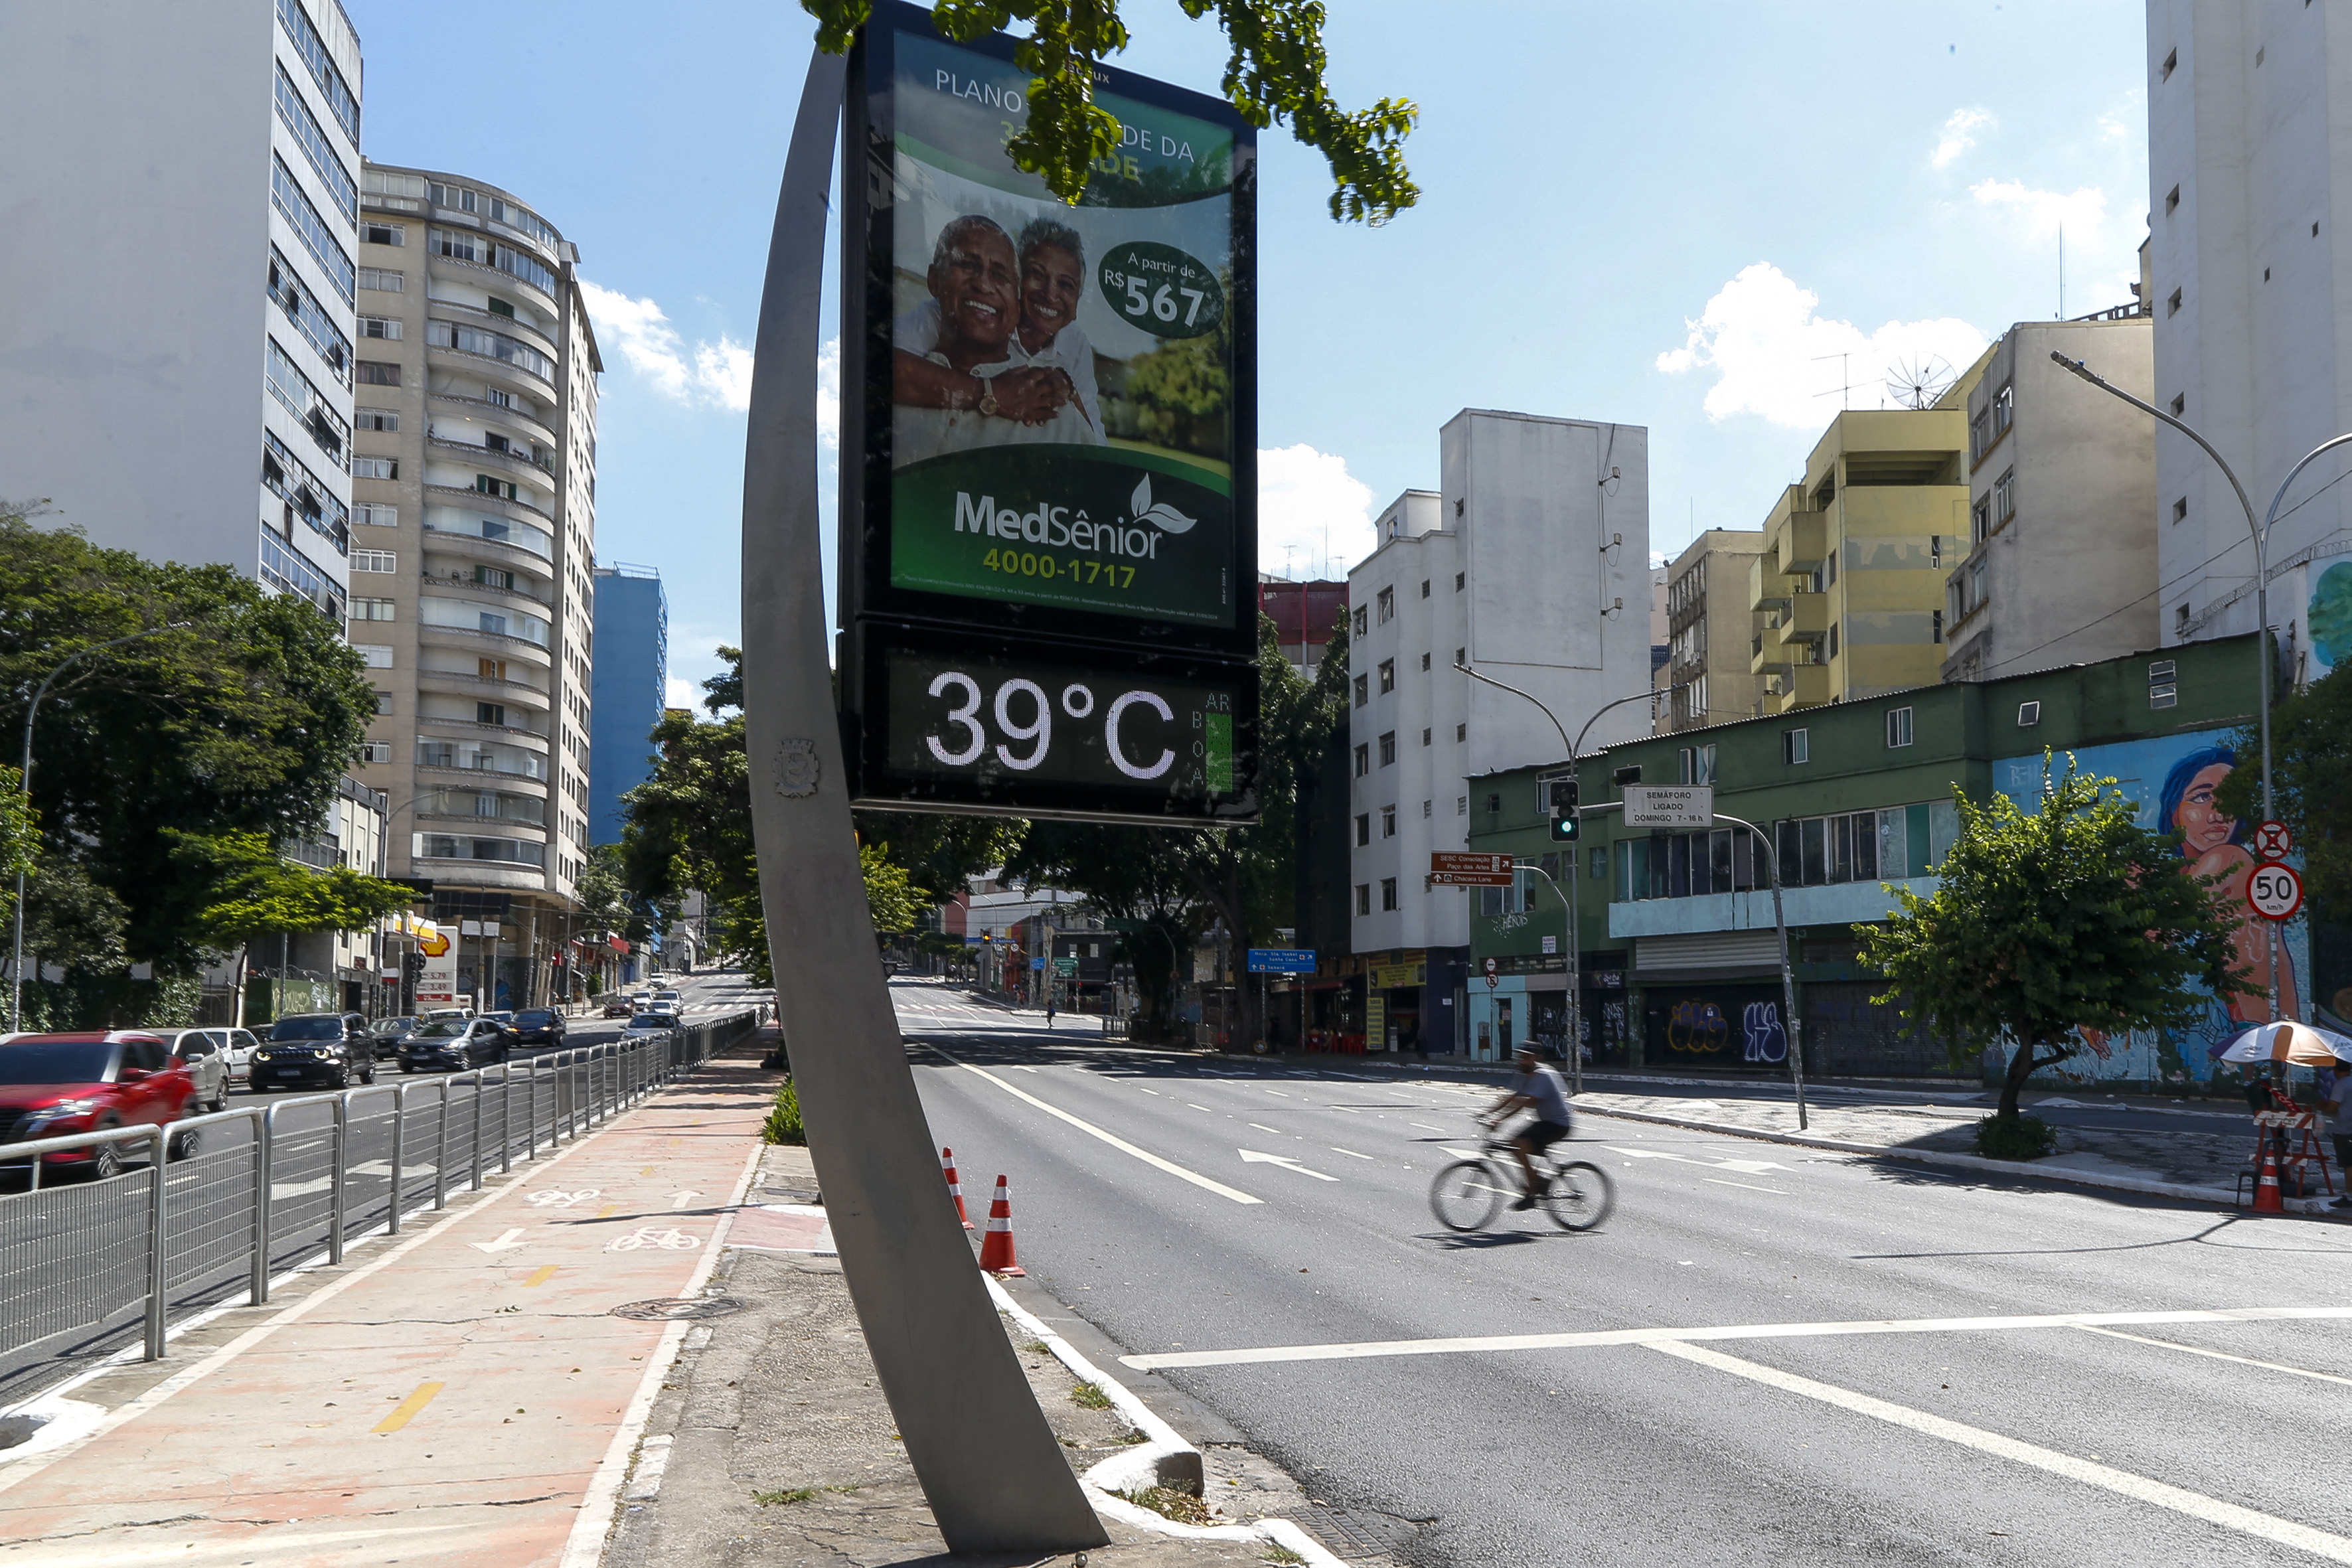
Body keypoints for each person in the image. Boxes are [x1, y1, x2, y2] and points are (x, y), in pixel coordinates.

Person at [891, 214, 1097, 465]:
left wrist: (1068, 390)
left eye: (1001, 275)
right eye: (968, 265)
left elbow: (1096, 451)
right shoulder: (937, 318)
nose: (984, 285)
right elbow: (882, 367)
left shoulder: (1072, 351)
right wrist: (992, 393)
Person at [1480, 1044, 1575, 1210]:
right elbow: (1513, 1098)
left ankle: (1532, 1193)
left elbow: (1526, 1103)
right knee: (1514, 1145)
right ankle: (1538, 1182)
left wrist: (1500, 1120)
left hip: (1558, 1125)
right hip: (1546, 1122)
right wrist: (1487, 1113)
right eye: (1520, 1057)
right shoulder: (1527, 1074)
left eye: (1526, 1057)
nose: (1522, 1061)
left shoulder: (1542, 1075)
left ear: (1535, 1058)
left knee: (1519, 1145)